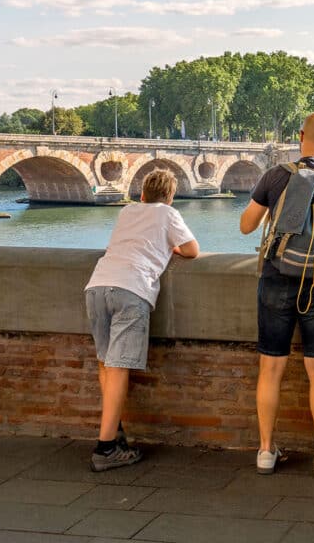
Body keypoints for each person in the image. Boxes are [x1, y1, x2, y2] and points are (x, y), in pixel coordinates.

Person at [240, 111, 314, 477]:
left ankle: (265, 451)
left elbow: (247, 226)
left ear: (300, 135)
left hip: (277, 276)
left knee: (271, 367)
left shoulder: (275, 175)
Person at [84, 168, 199, 472]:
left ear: (142, 194)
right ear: (170, 197)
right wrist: (169, 247)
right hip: (131, 288)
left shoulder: (127, 211)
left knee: (105, 362)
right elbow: (192, 250)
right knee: (119, 367)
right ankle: (106, 448)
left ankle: (115, 432)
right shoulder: (167, 214)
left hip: (97, 286)